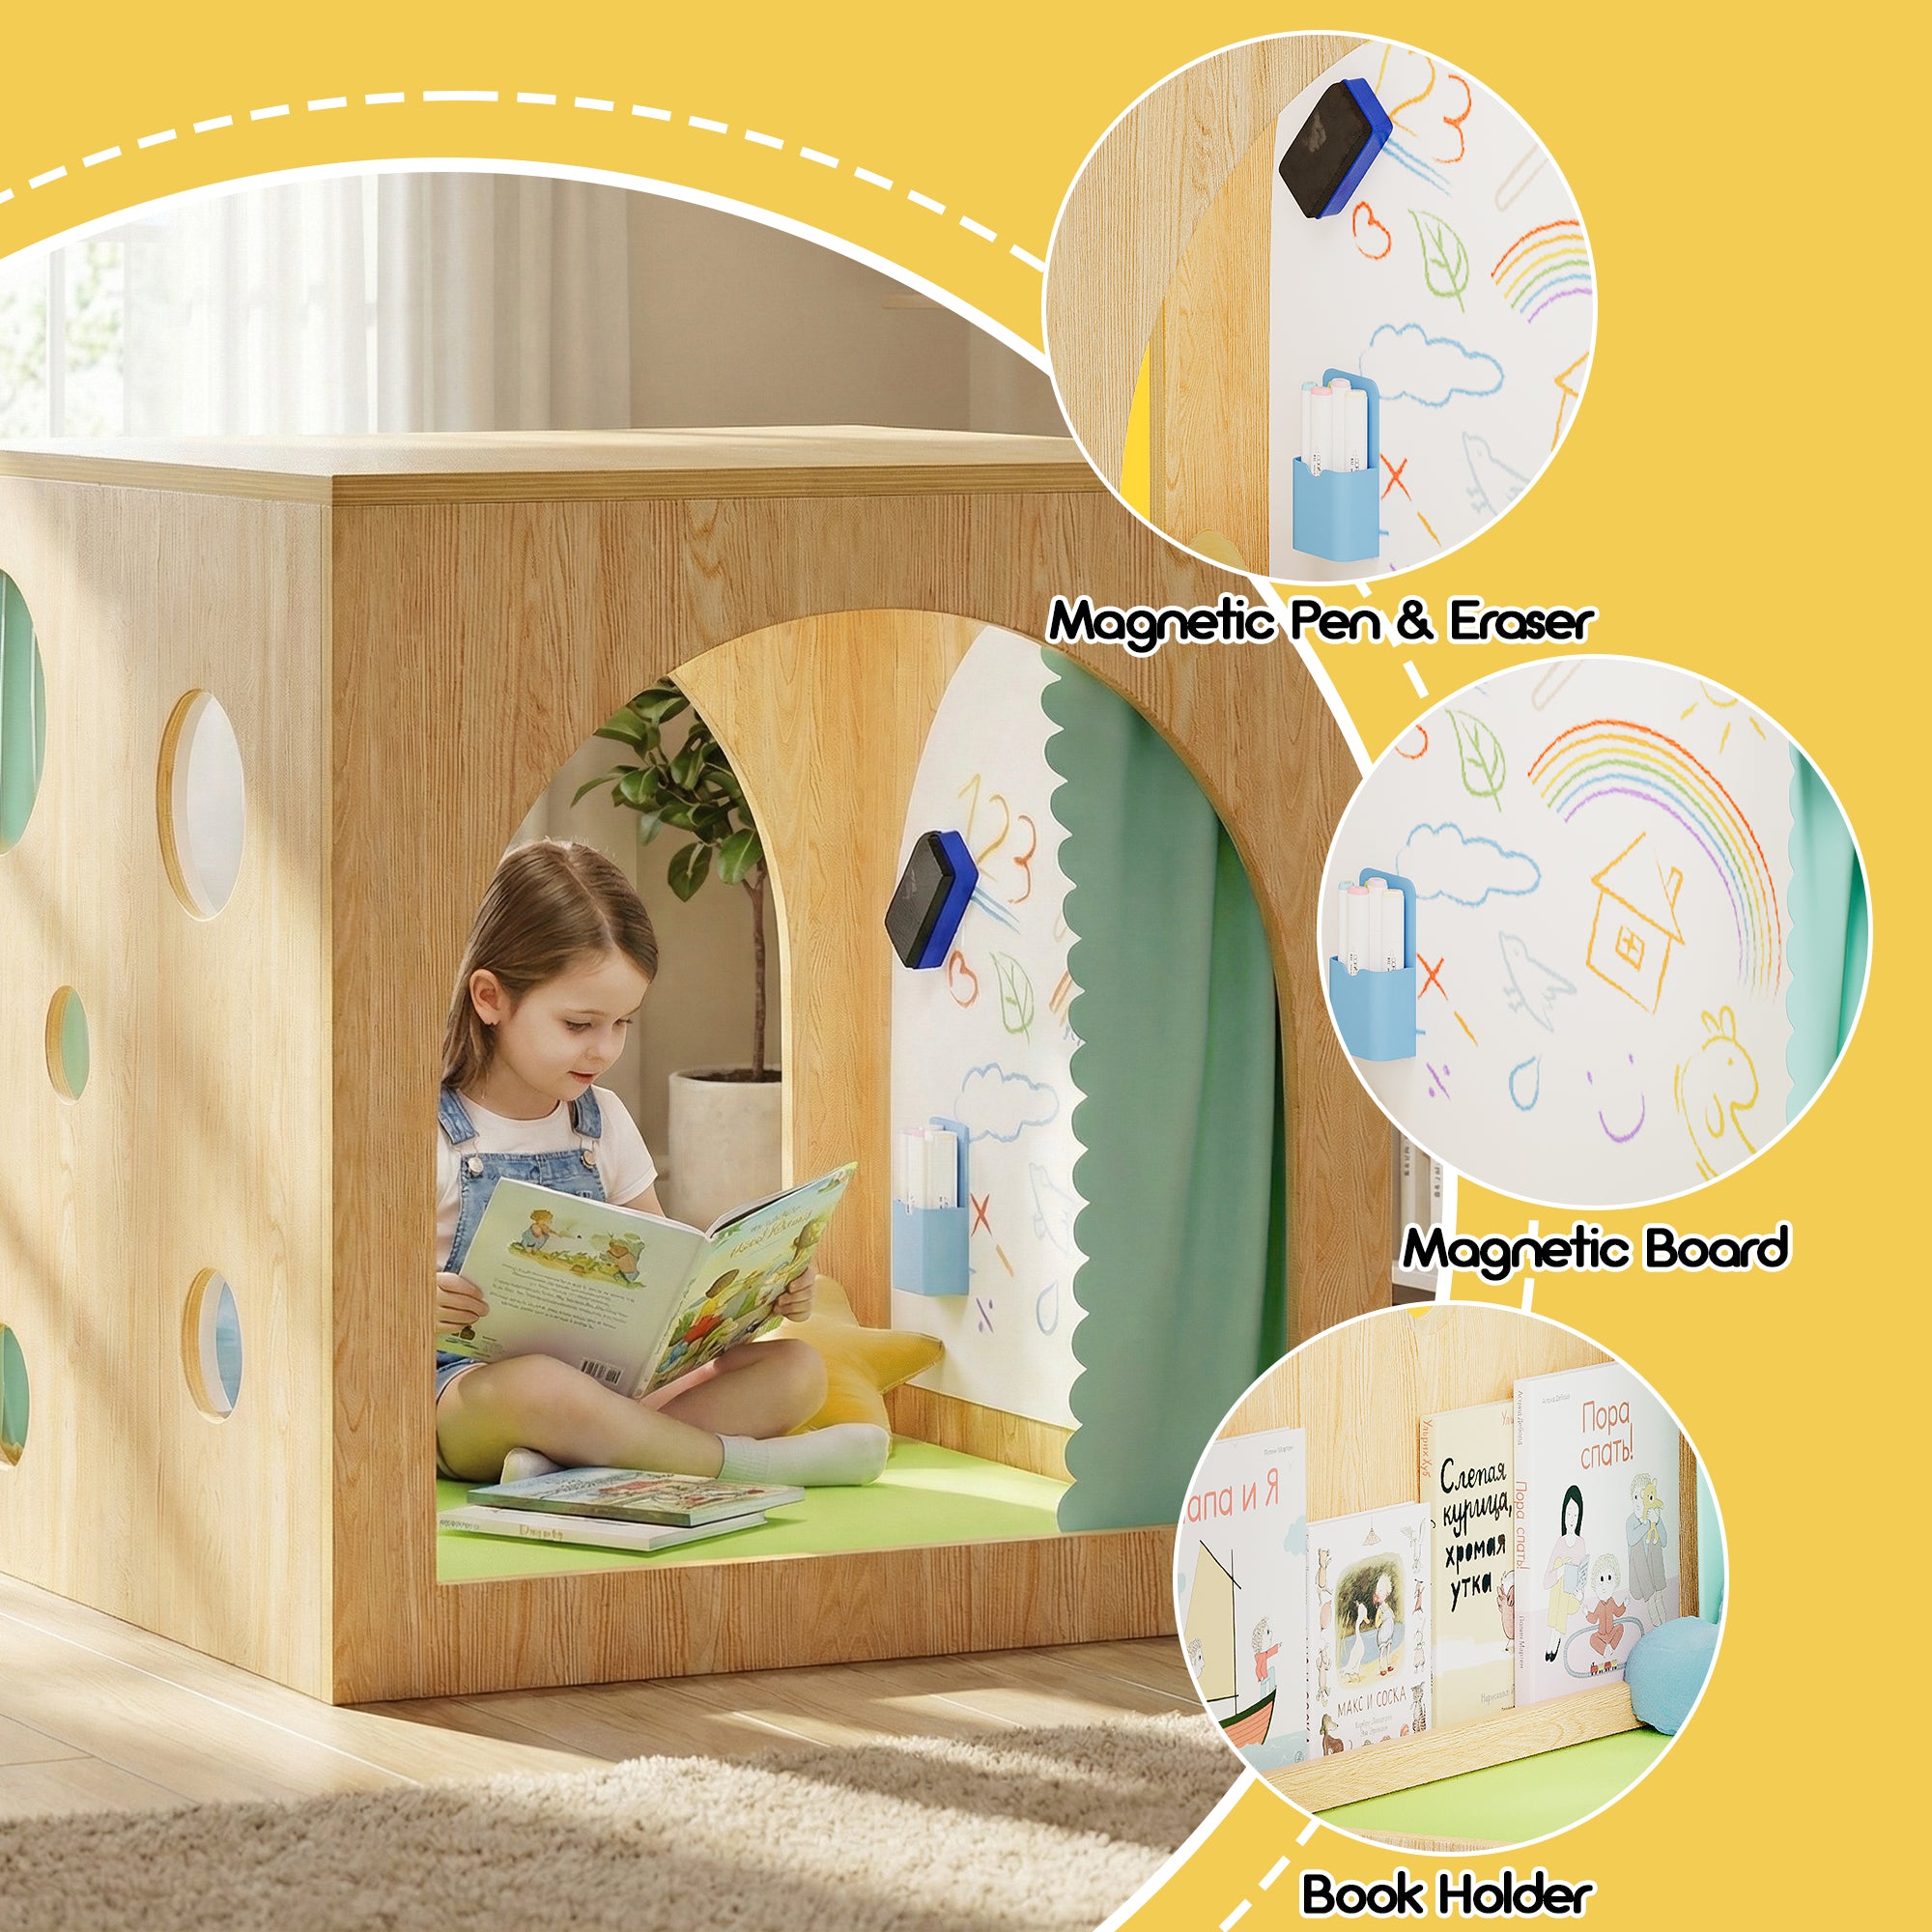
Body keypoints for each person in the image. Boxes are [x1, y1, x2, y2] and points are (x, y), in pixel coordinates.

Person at [432, 839, 887, 1489]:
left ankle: (564, 1463)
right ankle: (742, 1465)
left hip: (610, 1389)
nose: (605, 1049)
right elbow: (362, 1308)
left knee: (798, 1371)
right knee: (540, 1387)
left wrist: (758, 1294)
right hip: (468, 1395)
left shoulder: (603, 1122)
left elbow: (667, 1282)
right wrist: (416, 1303)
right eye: (579, 1024)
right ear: (490, 998)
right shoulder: (433, 1132)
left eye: (623, 1023)